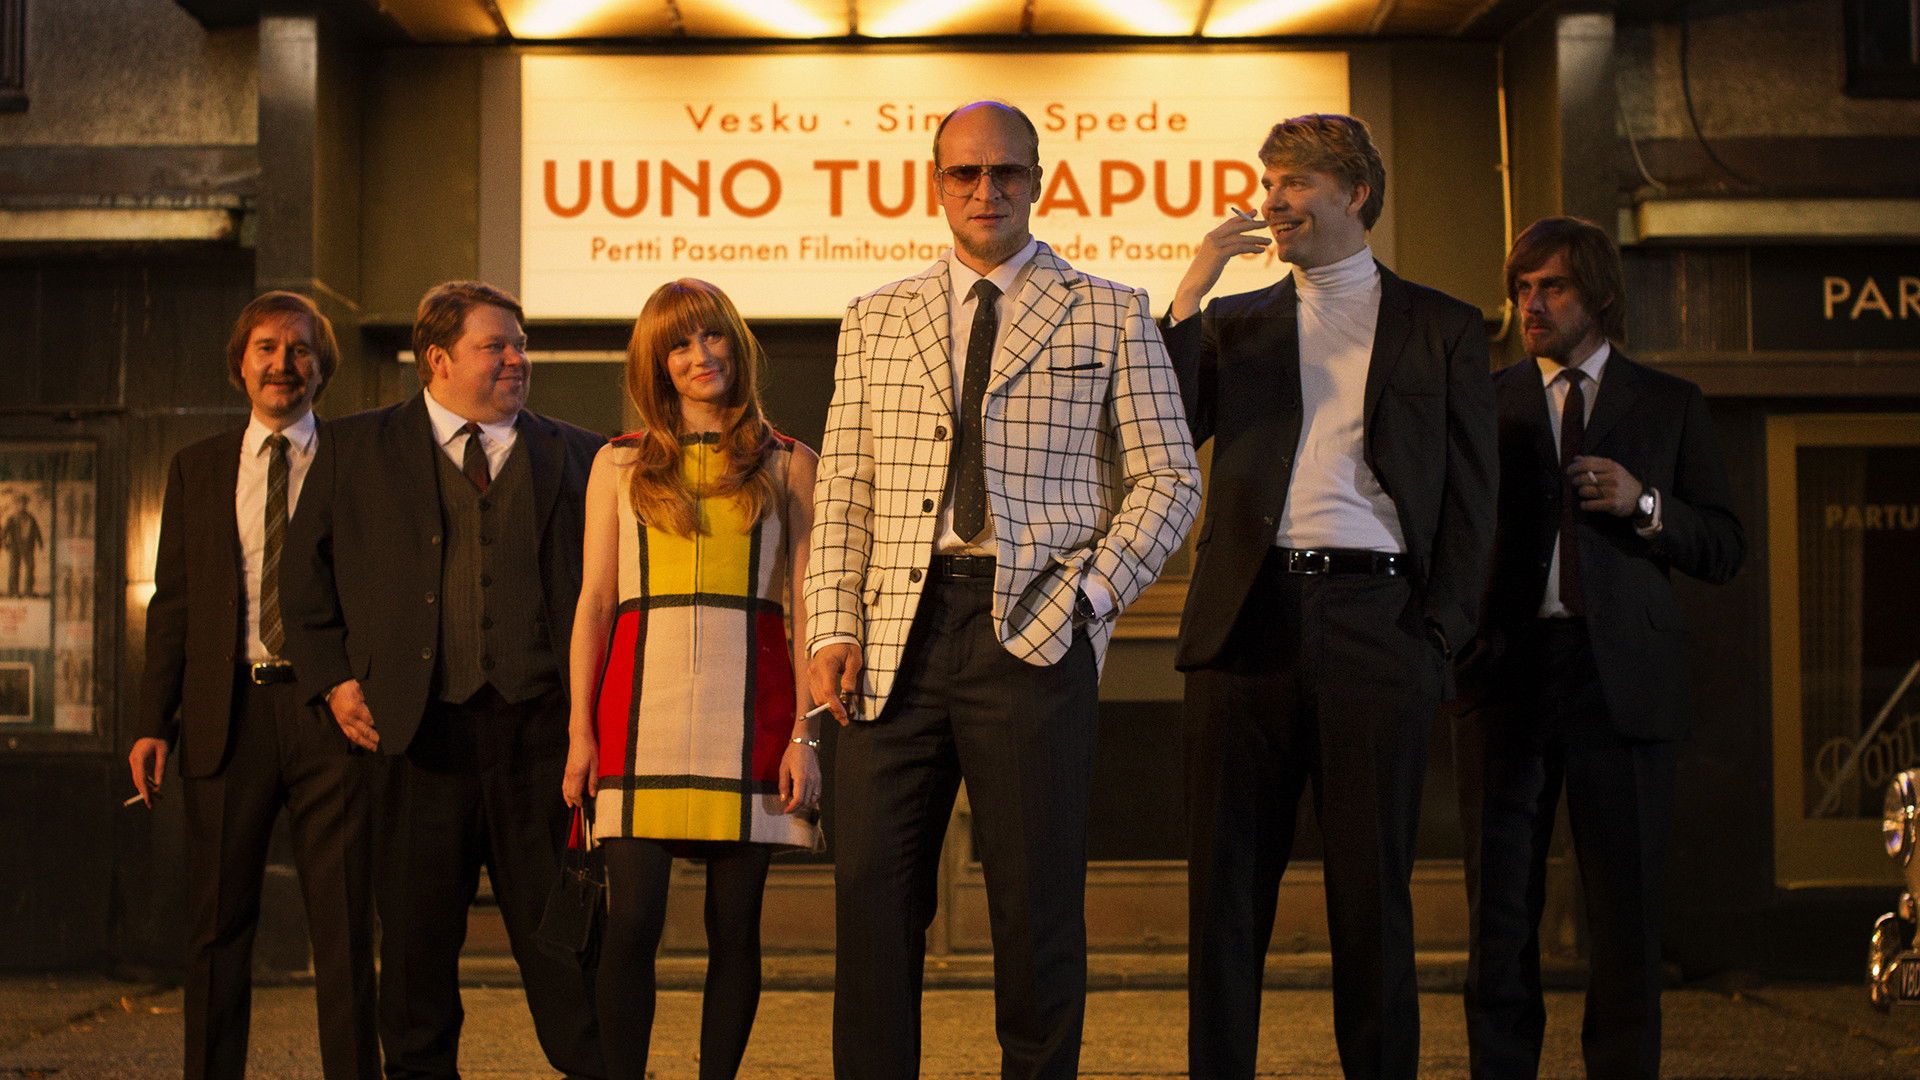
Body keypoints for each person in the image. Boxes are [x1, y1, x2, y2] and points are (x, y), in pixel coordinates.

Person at [807, 100, 1201, 1080]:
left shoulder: (1109, 309)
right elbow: (845, 485)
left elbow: (1169, 478)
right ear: (935, 183)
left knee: (1035, 911)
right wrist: (829, 626)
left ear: (1038, 180)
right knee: (871, 899)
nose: (987, 190)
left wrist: (1089, 599)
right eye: (965, 173)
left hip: (1034, 630)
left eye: (1007, 172)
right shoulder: (875, 317)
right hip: (892, 639)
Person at [1162, 113, 1498, 1080]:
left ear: (1356, 193)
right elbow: (1164, 428)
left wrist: (1439, 632)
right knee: (1225, 898)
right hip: (1246, 621)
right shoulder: (1235, 323)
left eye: (1296, 182)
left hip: (1379, 624)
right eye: (1269, 181)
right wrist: (1189, 294)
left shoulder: (1442, 326)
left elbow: (1475, 498)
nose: (1273, 200)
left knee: (1371, 896)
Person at [283, 281, 607, 1080]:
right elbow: (303, 581)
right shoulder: (353, 448)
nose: (517, 359)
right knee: (416, 959)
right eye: (496, 346)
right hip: (413, 742)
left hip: (543, 744)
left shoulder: (580, 455)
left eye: (521, 344)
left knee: (568, 955)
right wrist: (334, 681)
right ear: (437, 359)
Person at [1455, 216, 1744, 1080]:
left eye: (1552, 286)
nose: (1532, 305)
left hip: (1621, 680)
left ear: (1599, 294)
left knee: (1625, 911)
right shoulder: (1484, 398)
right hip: (1507, 675)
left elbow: (1725, 545)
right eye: (1522, 289)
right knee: (1499, 910)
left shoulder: (1667, 402)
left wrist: (1644, 504)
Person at [561, 278, 822, 1080]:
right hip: (636, 720)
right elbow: (595, 602)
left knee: (734, 930)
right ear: (656, 363)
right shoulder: (617, 463)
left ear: (737, 345)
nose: (700, 355)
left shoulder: (791, 463)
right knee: (631, 924)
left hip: (754, 721)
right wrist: (578, 733)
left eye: (711, 336)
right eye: (678, 344)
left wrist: (806, 736)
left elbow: (809, 612)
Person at [129, 291, 378, 1080]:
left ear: (322, 367)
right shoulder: (197, 468)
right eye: (266, 347)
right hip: (225, 716)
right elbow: (174, 603)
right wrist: (152, 721)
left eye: (300, 349)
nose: (283, 364)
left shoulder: (356, 460)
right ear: (240, 364)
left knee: (343, 929)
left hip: (329, 713)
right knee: (215, 928)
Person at [2, 492, 41, 596]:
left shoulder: (31, 518)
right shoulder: (12, 518)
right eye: (19, 503)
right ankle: (13, 591)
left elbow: (36, 531)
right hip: (15, 546)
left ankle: (28, 591)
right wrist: (3, 542)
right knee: (14, 568)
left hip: (28, 546)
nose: (22, 505)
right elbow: (5, 531)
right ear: (16, 504)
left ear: (26, 504)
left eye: (24, 503)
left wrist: (40, 542)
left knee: (30, 567)